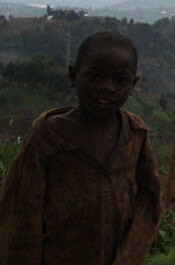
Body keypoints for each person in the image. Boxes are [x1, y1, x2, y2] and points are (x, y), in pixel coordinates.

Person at [0, 31, 162, 265]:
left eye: (120, 80)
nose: (107, 88)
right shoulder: (48, 138)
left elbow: (150, 201)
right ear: (73, 75)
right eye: (95, 77)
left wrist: (131, 255)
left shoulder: (134, 135)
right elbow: (21, 212)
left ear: (133, 84)